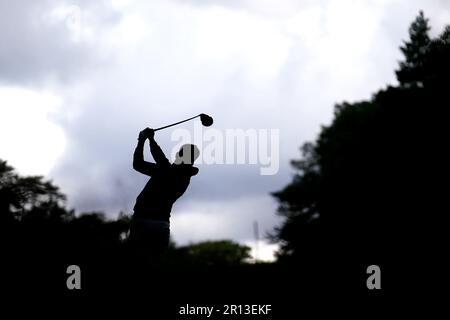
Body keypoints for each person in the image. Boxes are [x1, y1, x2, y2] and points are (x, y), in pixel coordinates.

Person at [128, 127, 200, 263]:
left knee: (134, 263)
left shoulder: (168, 171)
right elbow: (141, 164)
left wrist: (145, 139)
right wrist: (147, 139)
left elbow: (155, 159)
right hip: (161, 226)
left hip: (143, 222)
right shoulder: (180, 175)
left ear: (179, 155)